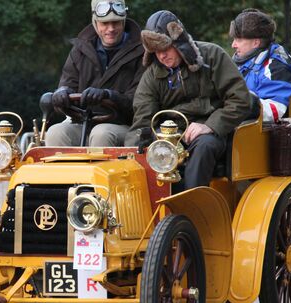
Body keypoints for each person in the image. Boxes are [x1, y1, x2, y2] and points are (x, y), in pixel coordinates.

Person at [128, 10, 251, 189]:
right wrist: (143, 145)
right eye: (155, 51)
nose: (161, 56)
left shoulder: (212, 56)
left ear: (180, 43)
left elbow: (240, 99)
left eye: (165, 48)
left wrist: (210, 125)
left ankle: (193, 207)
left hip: (211, 130)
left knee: (205, 146)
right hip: (169, 135)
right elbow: (143, 119)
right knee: (143, 150)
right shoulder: (151, 76)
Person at [46, 0, 144, 147]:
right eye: (105, 23)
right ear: (95, 23)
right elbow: (67, 85)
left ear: (123, 22)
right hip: (83, 122)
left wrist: (109, 95)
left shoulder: (142, 52)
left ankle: (104, 171)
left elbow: (140, 103)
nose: (110, 28)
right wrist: (62, 94)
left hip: (126, 126)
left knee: (101, 134)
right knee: (55, 132)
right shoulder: (79, 50)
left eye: (116, 23)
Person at [229, 8, 291, 125]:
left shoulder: (277, 67)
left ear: (256, 43)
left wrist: (241, 101)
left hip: (254, 132)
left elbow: (275, 110)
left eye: (238, 40)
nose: (233, 45)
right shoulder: (239, 63)